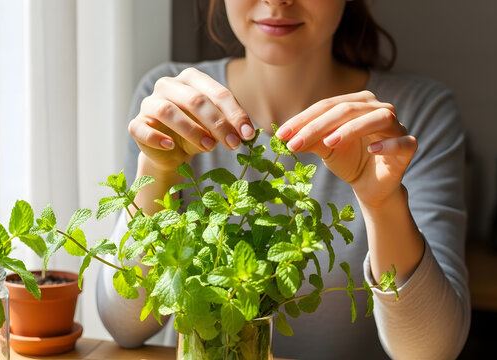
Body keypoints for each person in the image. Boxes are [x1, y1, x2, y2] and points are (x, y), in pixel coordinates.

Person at [97, 0, 470, 358]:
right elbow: (124, 326)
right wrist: (157, 167)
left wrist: (382, 202)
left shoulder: (416, 115)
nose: (278, 0)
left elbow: (431, 351)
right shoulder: (172, 101)